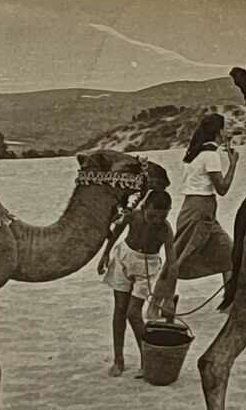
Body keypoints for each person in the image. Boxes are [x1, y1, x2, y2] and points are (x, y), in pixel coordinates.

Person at [98, 189, 176, 377]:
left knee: (133, 313)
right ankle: (119, 359)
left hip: (147, 267)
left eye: (162, 216)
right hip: (124, 258)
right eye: (152, 215)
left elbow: (172, 262)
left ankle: (147, 359)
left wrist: (168, 296)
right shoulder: (133, 217)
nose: (156, 220)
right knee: (119, 310)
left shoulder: (165, 229)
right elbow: (116, 233)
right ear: (144, 207)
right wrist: (105, 254)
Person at [171, 112, 237, 299]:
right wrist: (233, 164)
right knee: (178, 258)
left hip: (195, 208)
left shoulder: (196, 153)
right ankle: (160, 300)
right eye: (225, 128)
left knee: (229, 254)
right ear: (219, 132)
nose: (228, 131)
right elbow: (222, 189)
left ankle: (229, 299)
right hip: (201, 211)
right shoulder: (210, 155)